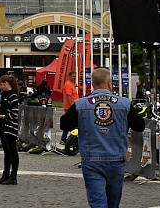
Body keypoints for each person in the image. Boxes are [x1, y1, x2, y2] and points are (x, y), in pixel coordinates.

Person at [60, 67, 145, 208]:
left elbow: (64, 124)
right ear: (109, 83)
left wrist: (83, 122)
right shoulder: (124, 103)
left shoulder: (81, 104)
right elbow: (140, 126)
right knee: (113, 202)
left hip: (92, 158)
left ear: (92, 84)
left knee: (97, 202)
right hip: (116, 159)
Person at [0, 75, 20, 185]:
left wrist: (3, 116)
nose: (0, 86)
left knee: (12, 151)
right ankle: (6, 173)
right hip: (4, 125)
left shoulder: (13, 95)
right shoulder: (4, 94)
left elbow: (15, 112)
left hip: (10, 126)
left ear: (6, 83)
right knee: (6, 151)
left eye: (2, 84)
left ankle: (13, 176)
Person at [61, 71, 79, 145]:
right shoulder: (68, 84)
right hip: (70, 107)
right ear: (69, 76)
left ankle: (65, 139)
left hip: (71, 106)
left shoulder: (71, 84)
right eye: (73, 76)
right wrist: (73, 107)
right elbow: (69, 96)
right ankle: (69, 139)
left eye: (75, 76)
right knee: (74, 124)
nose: (74, 77)